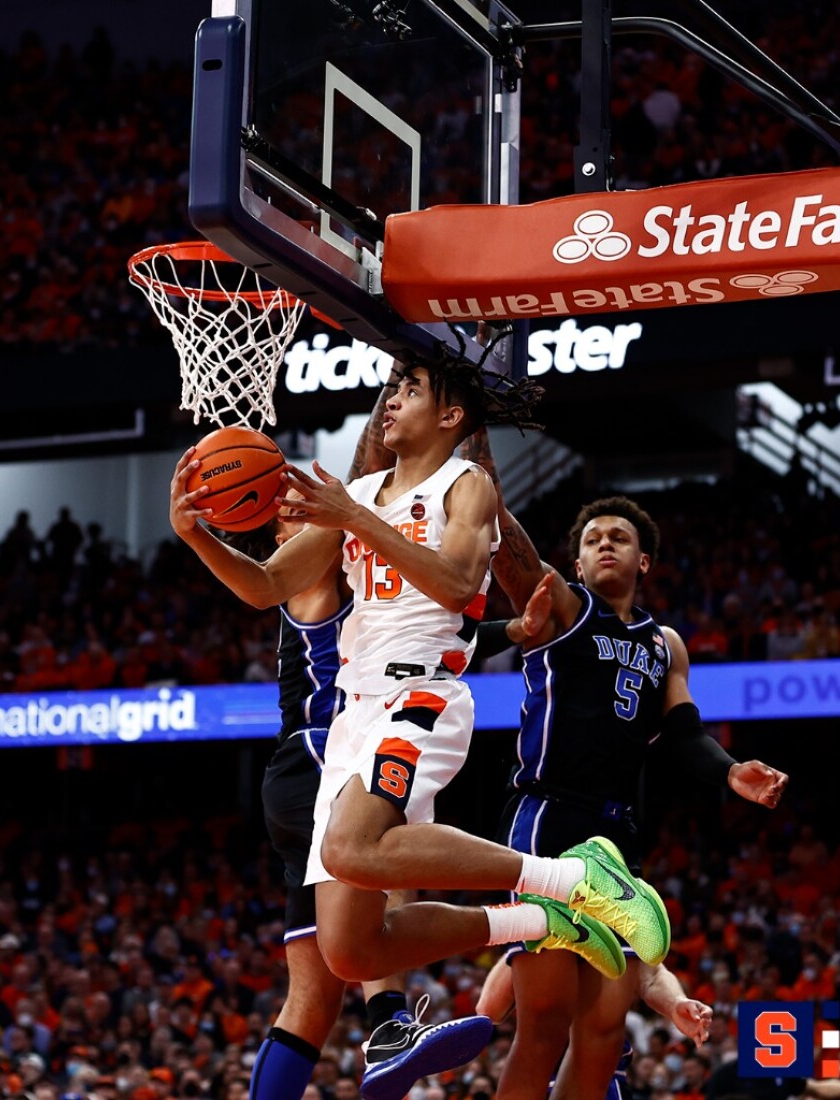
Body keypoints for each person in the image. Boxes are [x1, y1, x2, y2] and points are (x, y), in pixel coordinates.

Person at [169, 358, 672, 1023]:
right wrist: (194, 535)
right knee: (351, 951)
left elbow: (461, 585)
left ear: (450, 416)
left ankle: (576, 879)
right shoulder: (359, 493)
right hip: (356, 711)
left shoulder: (466, 487)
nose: (393, 400)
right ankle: (539, 921)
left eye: (412, 390)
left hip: (421, 693)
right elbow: (265, 586)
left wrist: (354, 517)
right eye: (394, 387)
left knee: (350, 848)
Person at [457, 414, 789, 1100]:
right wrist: (475, 448)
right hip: (547, 819)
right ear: (575, 563)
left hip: (617, 837)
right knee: (544, 1023)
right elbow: (504, 541)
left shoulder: (665, 642)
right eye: (592, 538)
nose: (605, 543)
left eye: (620, 537)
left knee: (605, 1032)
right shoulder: (561, 609)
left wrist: (731, 771)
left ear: (643, 562)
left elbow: (684, 731)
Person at [238, 389, 494, 1100]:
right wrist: (404, 374)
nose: (299, 504)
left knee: (314, 999)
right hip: (327, 749)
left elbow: (413, 580)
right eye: (287, 506)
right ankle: (390, 1021)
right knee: (375, 845)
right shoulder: (322, 566)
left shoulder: (354, 564)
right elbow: (377, 495)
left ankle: (384, 1025)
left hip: (297, 766)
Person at [475, 951, 713, 1099]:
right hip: (537, 1078)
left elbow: (650, 974)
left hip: (600, 1080)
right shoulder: (542, 900)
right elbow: (489, 1010)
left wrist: (675, 1002)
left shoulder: (624, 896)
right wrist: (517, 945)